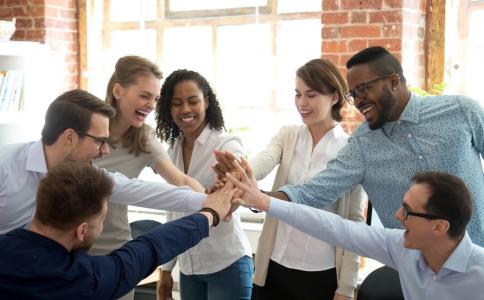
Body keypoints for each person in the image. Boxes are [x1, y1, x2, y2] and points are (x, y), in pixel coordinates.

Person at [214, 46, 484, 246]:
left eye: (364, 90)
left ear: (393, 81)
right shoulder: (363, 145)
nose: (358, 101)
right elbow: (310, 193)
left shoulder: (462, 111)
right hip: (418, 275)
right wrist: (256, 196)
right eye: (353, 95)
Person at [225, 162, 484, 300]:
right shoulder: (400, 247)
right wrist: (265, 202)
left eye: (407, 211)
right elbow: (335, 228)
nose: (396, 216)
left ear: (440, 227)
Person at [0, 162, 237, 299]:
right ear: (82, 230)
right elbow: (148, 248)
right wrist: (211, 214)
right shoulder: (82, 280)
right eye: (101, 220)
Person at [0, 89, 212, 235]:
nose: (105, 152)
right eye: (100, 142)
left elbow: (140, 191)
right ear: (70, 138)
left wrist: (208, 201)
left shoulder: (82, 175)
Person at [249, 59, 365, 300]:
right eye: (298, 94)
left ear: (334, 97)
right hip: (273, 266)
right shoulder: (287, 135)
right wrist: (240, 173)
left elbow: (355, 223)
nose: (302, 103)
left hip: (320, 274)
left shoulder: (350, 149)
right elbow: (261, 163)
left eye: (311, 95)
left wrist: (346, 288)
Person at [92, 57, 205, 300]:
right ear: (118, 90)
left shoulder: (144, 139)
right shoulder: (86, 126)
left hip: (116, 253)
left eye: (155, 98)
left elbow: (181, 180)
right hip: (73, 249)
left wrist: (210, 202)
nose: (151, 104)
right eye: (145, 96)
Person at [154, 69, 253, 300]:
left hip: (227, 264)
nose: (185, 110)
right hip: (189, 270)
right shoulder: (173, 150)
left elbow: (237, 185)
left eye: (193, 101)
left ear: (206, 101)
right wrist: (167, 269)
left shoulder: (226, 143)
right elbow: (174, 211)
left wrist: (228, 188)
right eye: (177, 103)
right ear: (169, 108)